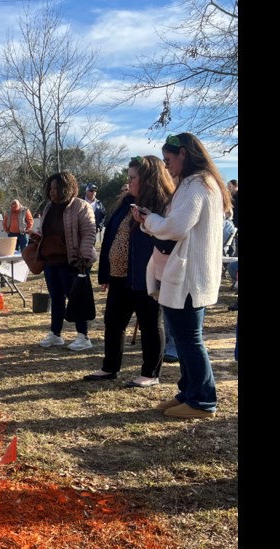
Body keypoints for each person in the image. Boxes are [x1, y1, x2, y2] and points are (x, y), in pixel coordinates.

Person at [132, 132, 231, 419]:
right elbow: (176, 225)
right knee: (184, 336)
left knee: (189, 339)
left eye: (169, 160)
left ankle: (202, 400)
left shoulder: (197, 185)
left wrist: (148, 219)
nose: (167, 167)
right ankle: (188, 392)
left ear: (184, 154)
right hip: (186, 274)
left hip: (188, 277)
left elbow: (176, 227)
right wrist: (151, 220)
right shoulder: (196, 184)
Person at [83, 156, 174, 387]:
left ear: (149, 179)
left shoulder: (162, 205)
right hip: (119, 276)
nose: (129, 182)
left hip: (146, 278)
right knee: (113, 322)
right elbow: (111, 238)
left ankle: (150, 374)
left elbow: (166, 239)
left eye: (133, 178)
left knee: (150, 324)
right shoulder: (125, 203)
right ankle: (109, 367)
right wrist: (106, 273)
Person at [30, 172, 98, 350]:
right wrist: (39, 239)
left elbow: (89, 232)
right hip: (50, 262)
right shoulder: (49, 207)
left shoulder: (80, 206)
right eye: (50, 188)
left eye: (56, 188)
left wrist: (82, 257)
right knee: (56, 299)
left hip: (73, 262)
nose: (52, 192)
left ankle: (83, 336)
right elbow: (49, 233)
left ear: (67, 188)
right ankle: (55, 334)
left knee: (77, 299)